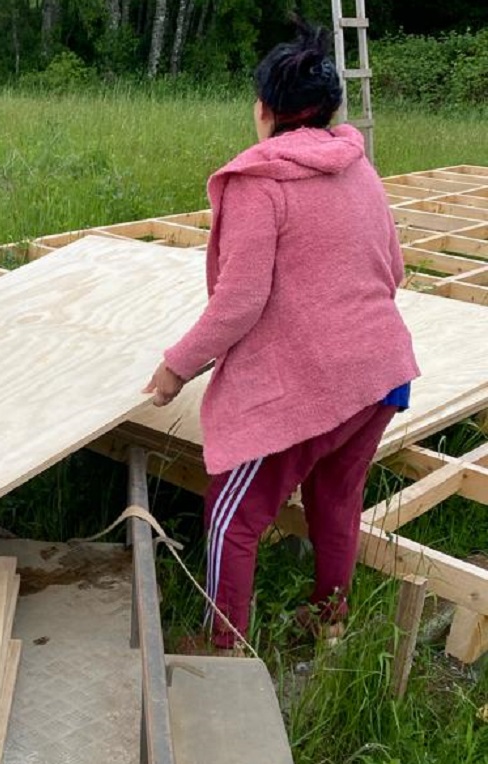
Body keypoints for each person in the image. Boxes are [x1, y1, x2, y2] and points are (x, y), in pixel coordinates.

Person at [143, 19, 420, 652]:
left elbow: (240, 300)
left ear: (264, 109)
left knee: (232, 518)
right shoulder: (358, 166)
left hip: (315, 384)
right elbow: (394, 270)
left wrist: (176, 367)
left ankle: (224, 645)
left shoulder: (258, 184)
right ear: (327, 109)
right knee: (336, 497)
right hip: (382, 373)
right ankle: (330, 619)